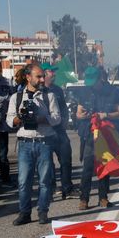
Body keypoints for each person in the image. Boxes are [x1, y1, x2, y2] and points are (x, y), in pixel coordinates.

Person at [7, 64, 61, 225]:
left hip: (44, 142)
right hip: (25, 143)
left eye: (43, 76)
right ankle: (24, 213)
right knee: (24, 182)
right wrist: (21, 117)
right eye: (38, 76)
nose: (42, 79)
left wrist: (43, 118)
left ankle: (43, 211)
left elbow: (57, 118)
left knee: (45, 180)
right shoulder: (16, 97)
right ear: (28, 77)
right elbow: (10, 121)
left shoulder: (48, 96)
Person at [76, 66, 119, 210]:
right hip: (89, 134)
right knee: (87, 168)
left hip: (106, 133)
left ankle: (103, 198)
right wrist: (81, 116)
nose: (91, 86)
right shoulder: (84, 92)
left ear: (100, 79)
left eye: (93, 82)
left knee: (105, 166)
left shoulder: (113, 92)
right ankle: (84, 199)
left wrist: (106, 115)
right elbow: (78, 113)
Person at [42, 62, 76, 199]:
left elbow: (63, 109)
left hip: (60, 131)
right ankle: (51, 188)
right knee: (47, 163)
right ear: (44, 74)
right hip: (45, 132)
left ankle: (67, 188)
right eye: (51, 71)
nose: (54, 74)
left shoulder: (58, 90)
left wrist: (64, 122)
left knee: (66, 159)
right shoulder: (39, 90)